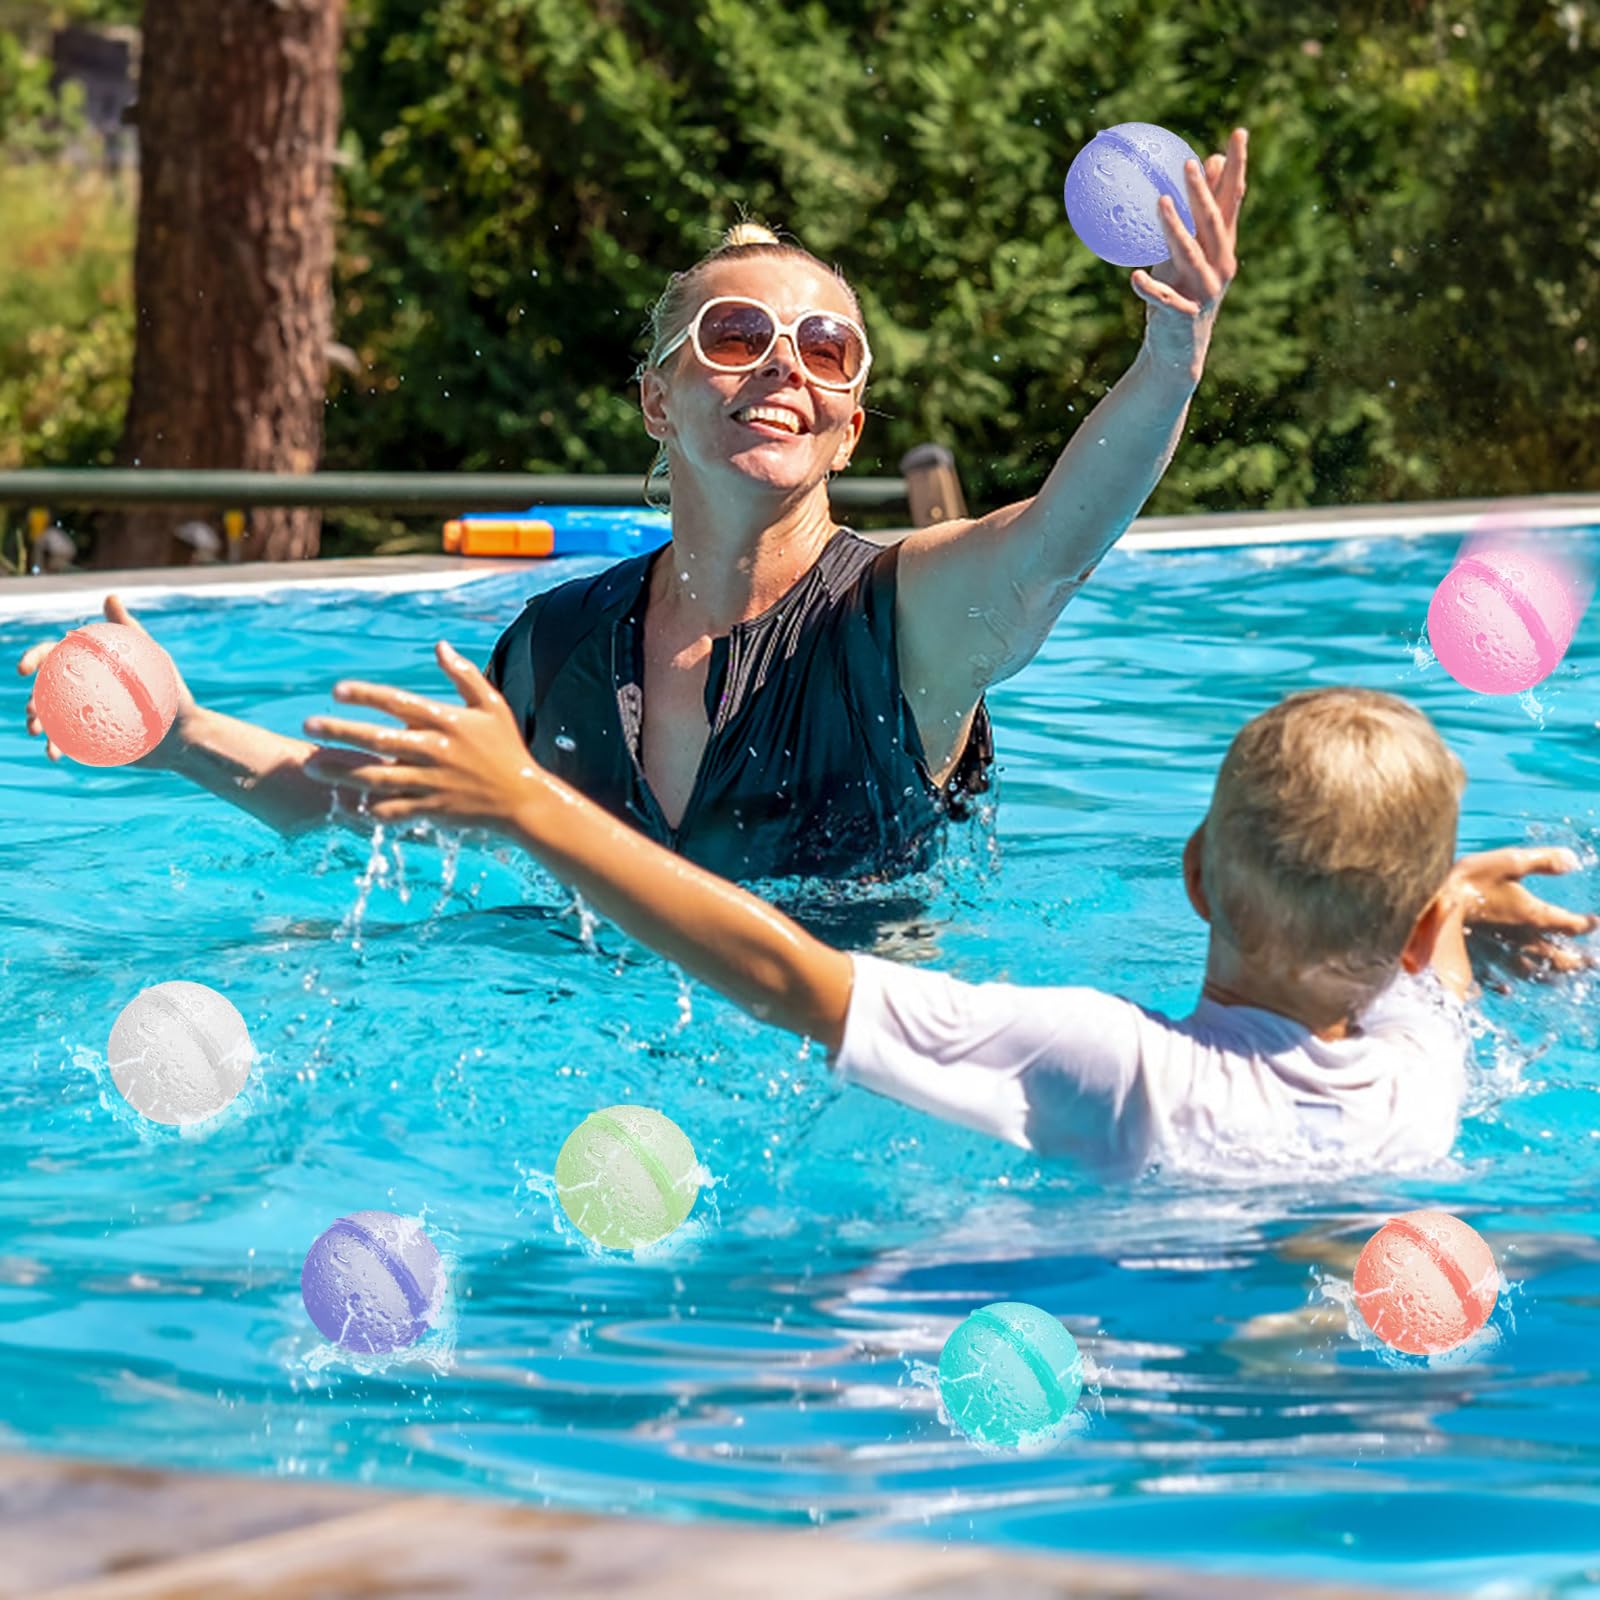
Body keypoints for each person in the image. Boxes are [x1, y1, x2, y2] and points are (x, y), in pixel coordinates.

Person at [20, 132, 1252, 880]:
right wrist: (176, 727)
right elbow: (365, 805)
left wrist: (1171, 358)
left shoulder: (902, 623)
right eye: (738, 335)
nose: (786, 365)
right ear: (659, 404)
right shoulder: (555, 647)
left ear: (849, 426)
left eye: (828, 349)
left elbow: (1057, 543)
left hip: (856, 1097)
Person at [299, 665, 1597, 1179]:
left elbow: (784, 974)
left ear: (1200, 873)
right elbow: (1432, 980)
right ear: (1421, 930)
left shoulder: (1113, 1062)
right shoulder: (1421, 1086)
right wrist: (1460, 905)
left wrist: (529, 801)